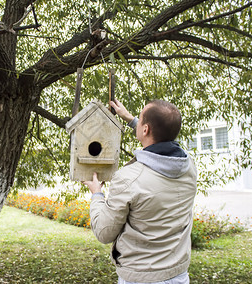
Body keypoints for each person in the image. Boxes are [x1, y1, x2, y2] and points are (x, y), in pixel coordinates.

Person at [83, 99, 197, 284]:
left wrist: (97, 194)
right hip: (178, 275)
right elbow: (163, 139)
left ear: (146, 130)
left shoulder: (129, 178)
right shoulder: (189, 166)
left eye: (140, 118)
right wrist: (130, 119)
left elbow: (104, 232)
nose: (137, 118)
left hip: (141, 278)